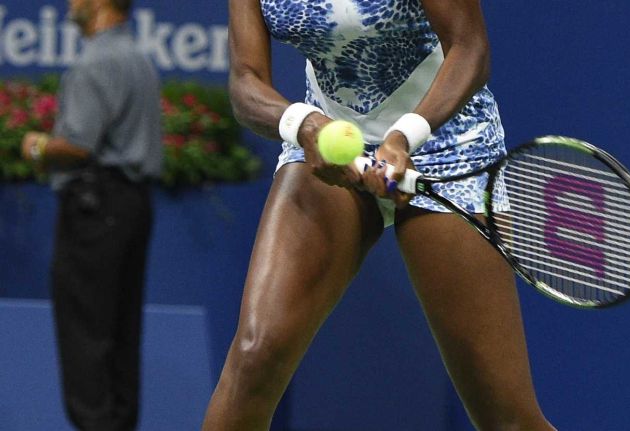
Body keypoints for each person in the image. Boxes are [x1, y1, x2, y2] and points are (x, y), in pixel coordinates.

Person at [203, 1, 556, 430]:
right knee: (254, 355)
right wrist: (306, 125)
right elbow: (246, 83)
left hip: (446, 143)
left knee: (507, 419)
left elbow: (470, 47)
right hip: (332, 136)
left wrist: (404, 137)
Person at [20, 0, 162, 429]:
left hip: (94, 208)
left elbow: (78, 145)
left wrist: (37, 146)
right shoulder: (139, 60)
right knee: (120, 332)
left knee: (86, 333)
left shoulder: (94, 63)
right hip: (133, 207)